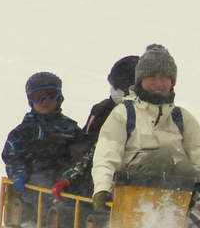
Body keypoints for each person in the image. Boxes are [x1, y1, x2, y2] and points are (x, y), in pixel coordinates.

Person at [91, 44, 200, 211]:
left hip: (174, 192)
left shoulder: (181, 117)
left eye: (164, 77)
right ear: (140, 79)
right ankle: (149, 217)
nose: (158, 83)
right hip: (131, 194)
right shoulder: (124, 113)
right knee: (163, 157)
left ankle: (190, 219)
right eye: (152, 76)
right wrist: (102, 189)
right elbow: (106, 155)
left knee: (187, 168)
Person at [51, 55, 139, 200]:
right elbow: (88, 147)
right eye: (113, 86)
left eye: (118, 88)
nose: (114, 91)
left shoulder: (150, 115)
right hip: (96, 175)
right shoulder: (103, 110)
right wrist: (72, 175)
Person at [2, 72, 81, 214]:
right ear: (30, 100)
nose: (44, 101)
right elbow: (11, 155)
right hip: (35, 176)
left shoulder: (70, 128)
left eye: (50, 95)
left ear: (59, 97)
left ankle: (83, 221)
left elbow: (81, 151)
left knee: (81, 189)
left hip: (65, 176)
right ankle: (52, 216)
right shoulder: (24, 131)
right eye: (38, 97)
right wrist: (18, 172)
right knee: (43, 184)